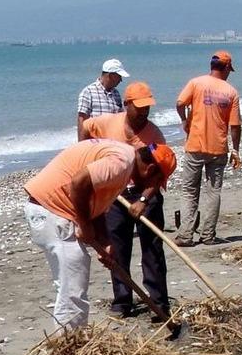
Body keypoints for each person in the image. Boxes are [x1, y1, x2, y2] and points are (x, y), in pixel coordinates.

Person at [23, 139, 176, 329]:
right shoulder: (121, 163)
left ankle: (73, 342)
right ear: (150, 169)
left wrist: (105, 242)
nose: (150, 189)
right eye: (155, 182)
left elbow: (93, 200)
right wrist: (84, 224)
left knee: (72, 285)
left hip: (49, 209)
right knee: (72, 290)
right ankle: (69, 348)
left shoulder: (124, 160)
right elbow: (78, 184)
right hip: (52, 210)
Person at [80, 82, 170, 318]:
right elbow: (85, 127)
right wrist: (86, 156)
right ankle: (122, 301)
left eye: (147, 108)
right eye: (139, 107)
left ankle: (158, 303)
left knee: (152, 250)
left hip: (145, 192)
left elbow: (160, 173)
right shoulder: (107, 123)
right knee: (117, 249)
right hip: (114, 195)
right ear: (126, 105)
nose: (144, 112)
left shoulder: (153, 135)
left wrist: (142, 199)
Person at [174, 50, 242, 247]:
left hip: (195, 145)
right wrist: (236, 150)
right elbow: (235, 125)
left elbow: (180, 103)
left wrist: (185, 121)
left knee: (189, 191)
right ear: (227, 67)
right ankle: (208, 235)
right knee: (213, 192)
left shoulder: (196, 83)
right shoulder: (231, 92)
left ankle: (186, 235)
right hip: (218, 148)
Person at [76, 58, 130, 140]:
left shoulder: (116, 94)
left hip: (113, 142)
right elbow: (82, 121)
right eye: (119, 76)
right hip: (95, 144)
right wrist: (81, 146)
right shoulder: (88, 92)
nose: (121, 80)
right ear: (111, 76)